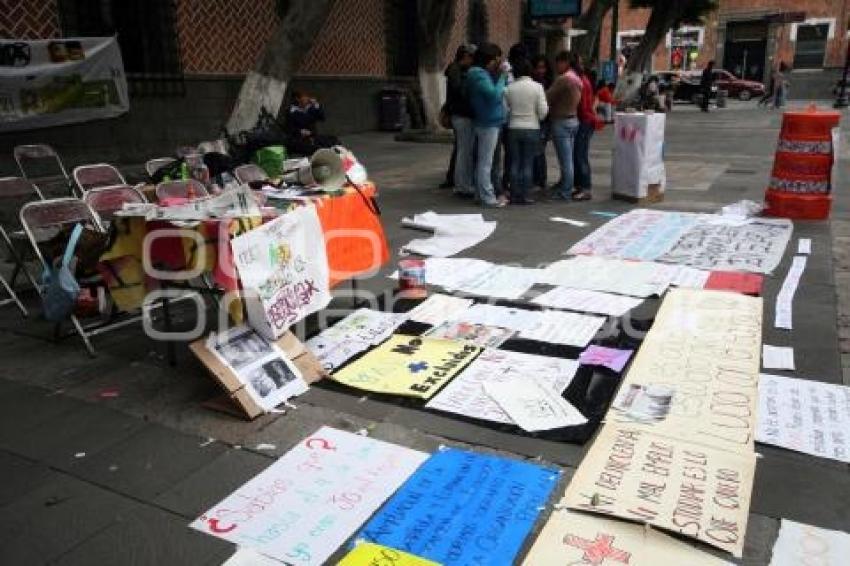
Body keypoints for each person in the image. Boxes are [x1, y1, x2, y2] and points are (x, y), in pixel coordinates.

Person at [467, 42, 508, 208]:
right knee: (486, 162)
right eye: (495, 60)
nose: (496, 63)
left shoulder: (478, 74)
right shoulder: (478, 75)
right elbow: (493, 95)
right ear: (488, 59)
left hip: (485, 120)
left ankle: (480, 194)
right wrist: (503, 76)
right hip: (488, 121)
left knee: (482, 161)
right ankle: (488, 197)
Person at [504, 58, 548, 205]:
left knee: (515, 162)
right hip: (532, 127)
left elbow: (505, 110)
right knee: (528, 163)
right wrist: (537, 118)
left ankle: (514, 194)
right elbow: (543, 111)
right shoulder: (538, 87)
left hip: (514, 127)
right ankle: (526, 195)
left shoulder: (509, 88)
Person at [546, 50, 582, 201]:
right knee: (569, 158)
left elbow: (548, 96)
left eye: (558, 62)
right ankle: (566, 186)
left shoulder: (564, 79)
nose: (556, 66)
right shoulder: (576, 78)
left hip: (561, 120)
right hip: (573, 119)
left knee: (565, 160)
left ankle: (565, 191)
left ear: (565, 62)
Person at [444, 45, 476, 196]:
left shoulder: (458, 70)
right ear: (466, 56)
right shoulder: (455, 70)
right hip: (461, 114)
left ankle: (458, 181)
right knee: (464, 150)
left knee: (462, 149)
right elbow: (459, 90)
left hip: (461, 114)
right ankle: (461, 184)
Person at [573, 53, 599, 201]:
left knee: (580, 155)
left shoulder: (580, 81)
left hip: (585, 121)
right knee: (579, 154)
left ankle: (585, 187)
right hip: (586, 120)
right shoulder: (583, 80)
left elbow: (583, 106)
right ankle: (580, 186)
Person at [285, 90, 339, 156]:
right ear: (297, 100)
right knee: (315, 149)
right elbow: (289, 129)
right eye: (304, 99)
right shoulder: (291, 112)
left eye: (307, 99)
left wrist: (317, 105)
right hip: (300, 139)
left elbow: (322, 118)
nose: (307, 101)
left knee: (333, 141)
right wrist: (300, 131)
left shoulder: (310, 108)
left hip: (313, 136)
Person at [531, 55, 554, 189]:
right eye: (538, 67)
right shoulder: (535, 82)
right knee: (537, 151)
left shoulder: (549, 82)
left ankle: (540, 179)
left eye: (543, 67)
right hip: (535, 119)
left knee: (539, 151)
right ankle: (538, 178)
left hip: (544, 120)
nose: (541, 70)